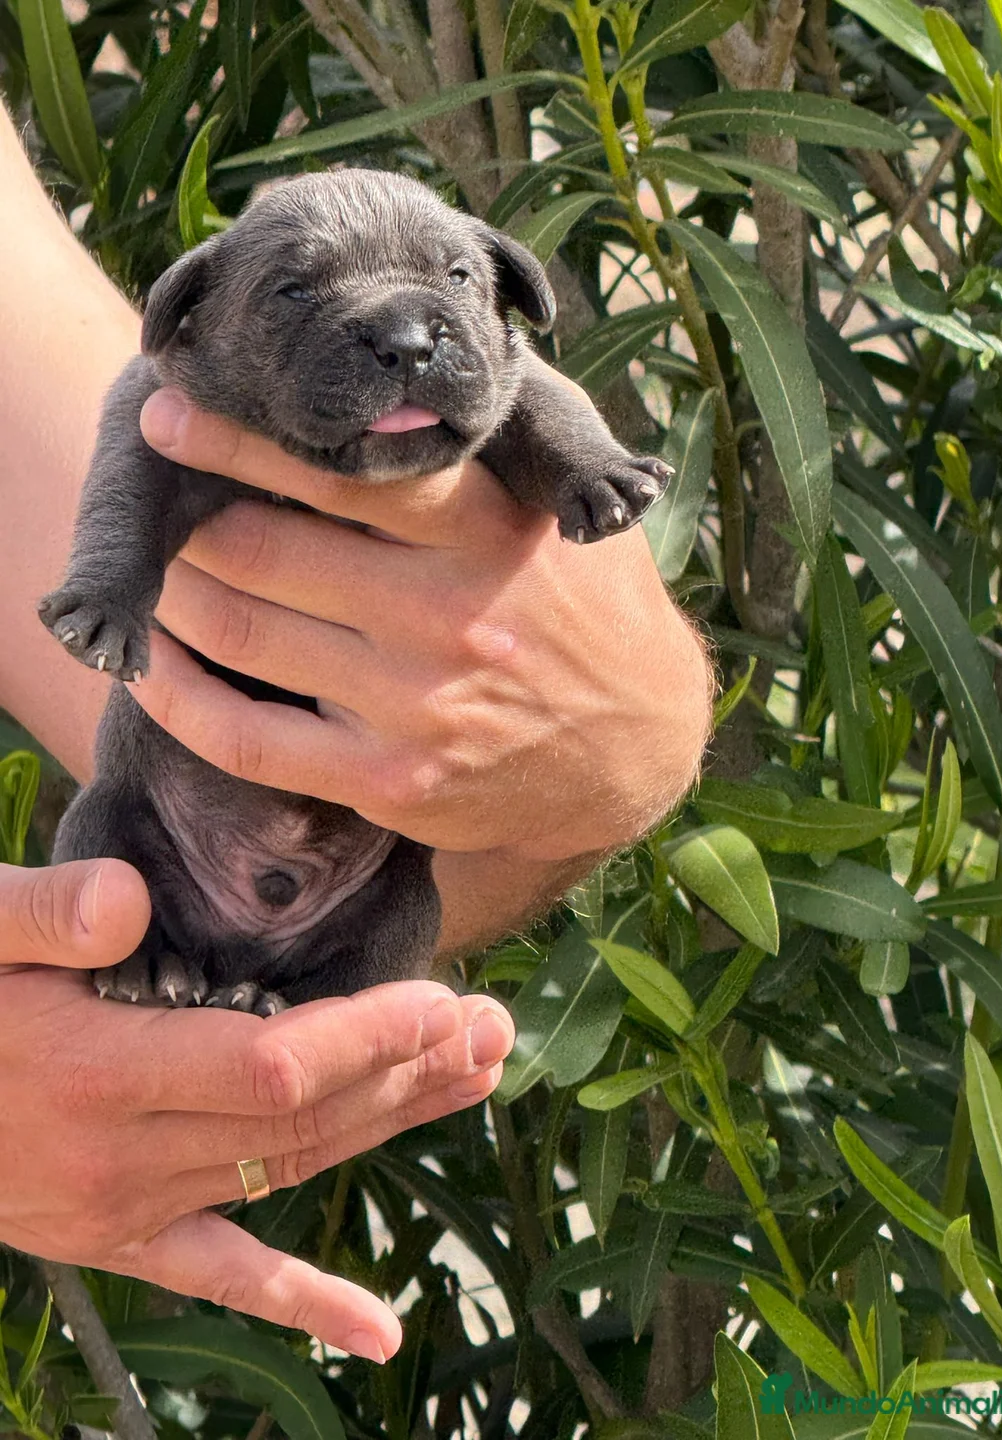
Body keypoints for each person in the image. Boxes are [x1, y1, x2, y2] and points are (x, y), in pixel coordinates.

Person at [0, 104, 713, 1362]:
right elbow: (131, 450)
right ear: (195, 317)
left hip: (344, 881)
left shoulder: (463, 372)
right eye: (293, 299)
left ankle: (294, 1000)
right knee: (109, 840)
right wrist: (112, 582)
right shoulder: (177, 380)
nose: (399, 334)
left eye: (446, 285)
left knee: (383, 915)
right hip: (174, 833)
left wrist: (627, 749)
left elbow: (530, 393)